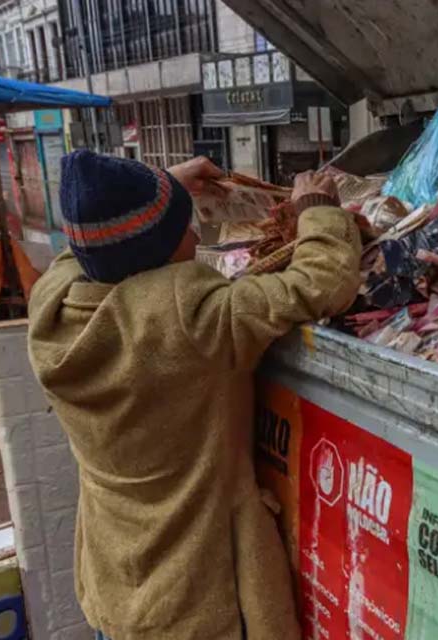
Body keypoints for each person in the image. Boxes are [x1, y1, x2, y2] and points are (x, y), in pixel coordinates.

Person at [27, 151, 362, 640]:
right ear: (160, 254)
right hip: (200, 601)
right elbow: (323, 282)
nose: (195, 233)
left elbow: (85, 251)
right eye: (185, 227)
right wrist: (317, 209)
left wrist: (167, 187)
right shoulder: (192, 321)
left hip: (117, 585)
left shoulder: (51, 308)